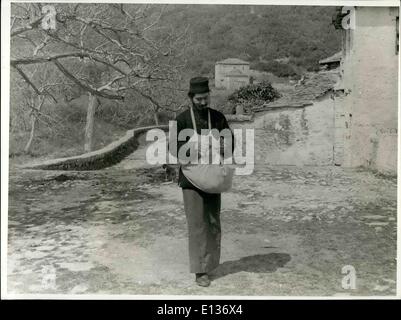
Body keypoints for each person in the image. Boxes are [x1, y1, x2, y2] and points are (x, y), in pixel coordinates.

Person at [174, 76, 234, 287]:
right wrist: (194, 149)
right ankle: (200, 271)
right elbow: (174, 149)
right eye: (199, 99)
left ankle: (210, 264)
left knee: (212, 221)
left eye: (205, 98)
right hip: (191, 179)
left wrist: (220, 146)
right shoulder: (181, 120)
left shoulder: (217, 118)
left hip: (212, 176)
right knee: (197, 225)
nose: (202, 102)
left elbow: (230, 142)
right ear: (191, 98)